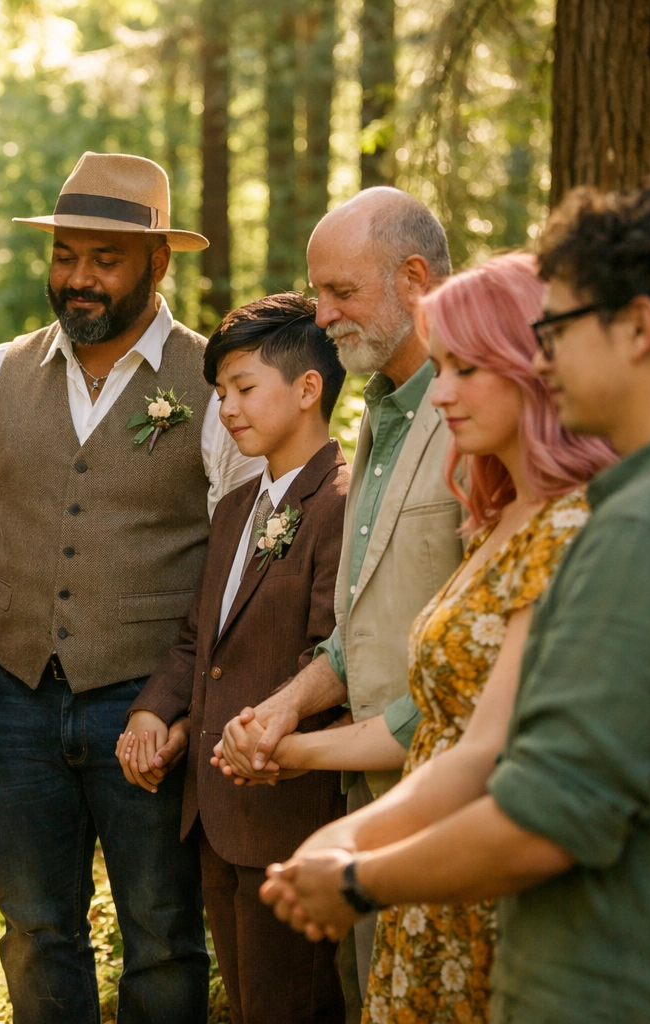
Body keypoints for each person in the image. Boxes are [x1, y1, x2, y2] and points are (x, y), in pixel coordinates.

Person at [261, 184, 650, 1024]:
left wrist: (356, 880)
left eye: (559, 329)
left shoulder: (640, 532)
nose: (544, 358)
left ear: (638, 329)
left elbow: (551, 811)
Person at [0, 151, 260, 1024]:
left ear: (158, 263)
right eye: (66, 255)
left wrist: (180, 703)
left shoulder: (215, 382)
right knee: (34, 931)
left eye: (104, 259)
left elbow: (238, 562)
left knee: (163, 932)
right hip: (17, 700)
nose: (79, 278)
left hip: (147, 707)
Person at [220, 255, 613, 1024]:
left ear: (534, 370)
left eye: (466, 368)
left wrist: (359, 859)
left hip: (486, 879)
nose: (444, 392)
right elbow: (443, 724)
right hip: (424, 871)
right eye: (442, 367)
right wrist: (301, 759)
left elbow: (495, 755)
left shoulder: (574, 528)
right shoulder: (502, 520)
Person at [213, 187, 460, 1010]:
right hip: (367, 799)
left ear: (416, 279)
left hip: (449, 802)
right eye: (319, 292)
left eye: (341, 293)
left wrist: (305, 750)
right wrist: (286, 707)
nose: (323, 314)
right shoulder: (378, 419)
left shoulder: (478, 420)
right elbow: (363, 634)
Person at [116, 292, 350, 1024]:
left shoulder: (340, 502)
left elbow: (333, 653)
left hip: (291, 809)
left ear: (308, 388)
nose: (227, 409)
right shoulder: (237, 506)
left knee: (296, 1005)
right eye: (219, 394)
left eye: (244, 388)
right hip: (214, 811)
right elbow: (199, 641)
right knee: (249, 1004)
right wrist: (157, 710)